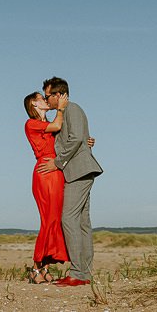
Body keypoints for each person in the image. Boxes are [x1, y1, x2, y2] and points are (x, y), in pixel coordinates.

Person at [22, 90, 95, 284]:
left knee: (55, 219)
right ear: (34, 105)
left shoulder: (48, 126)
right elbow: (58, 125)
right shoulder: (32, 124)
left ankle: (45, 267)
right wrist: (61, 109)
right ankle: (36, 267)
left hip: (57, 171)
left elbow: (68, 140)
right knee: (49, 219)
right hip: (46, 171)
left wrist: (87, 142)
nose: (44, 100)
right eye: (40, 98)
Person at [36, 76, 103, 287]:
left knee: (68, 219)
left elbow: (74, 139)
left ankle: (77, 273)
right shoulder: (65, 113)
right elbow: (78, 138)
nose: (47, 100)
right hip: (81, 171)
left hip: (77, 172)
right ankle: (84, 273)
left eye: (48, 96)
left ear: (58, 95)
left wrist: (57, 162)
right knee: (83, 222)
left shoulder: (72, 109)